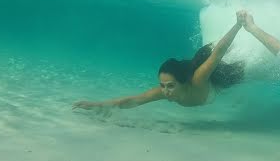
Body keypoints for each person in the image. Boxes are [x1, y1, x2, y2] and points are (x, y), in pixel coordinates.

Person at [72, 11, 246, 111]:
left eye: (170, 85)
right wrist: (94, 105)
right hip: (211, 83)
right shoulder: (163, 91)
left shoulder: (198, 79)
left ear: (183, 82)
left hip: (229, 76)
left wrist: (238, 24)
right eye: (162, 85)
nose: (165, 91)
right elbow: (133, 101)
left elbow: (218, 53)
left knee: (246, 67)